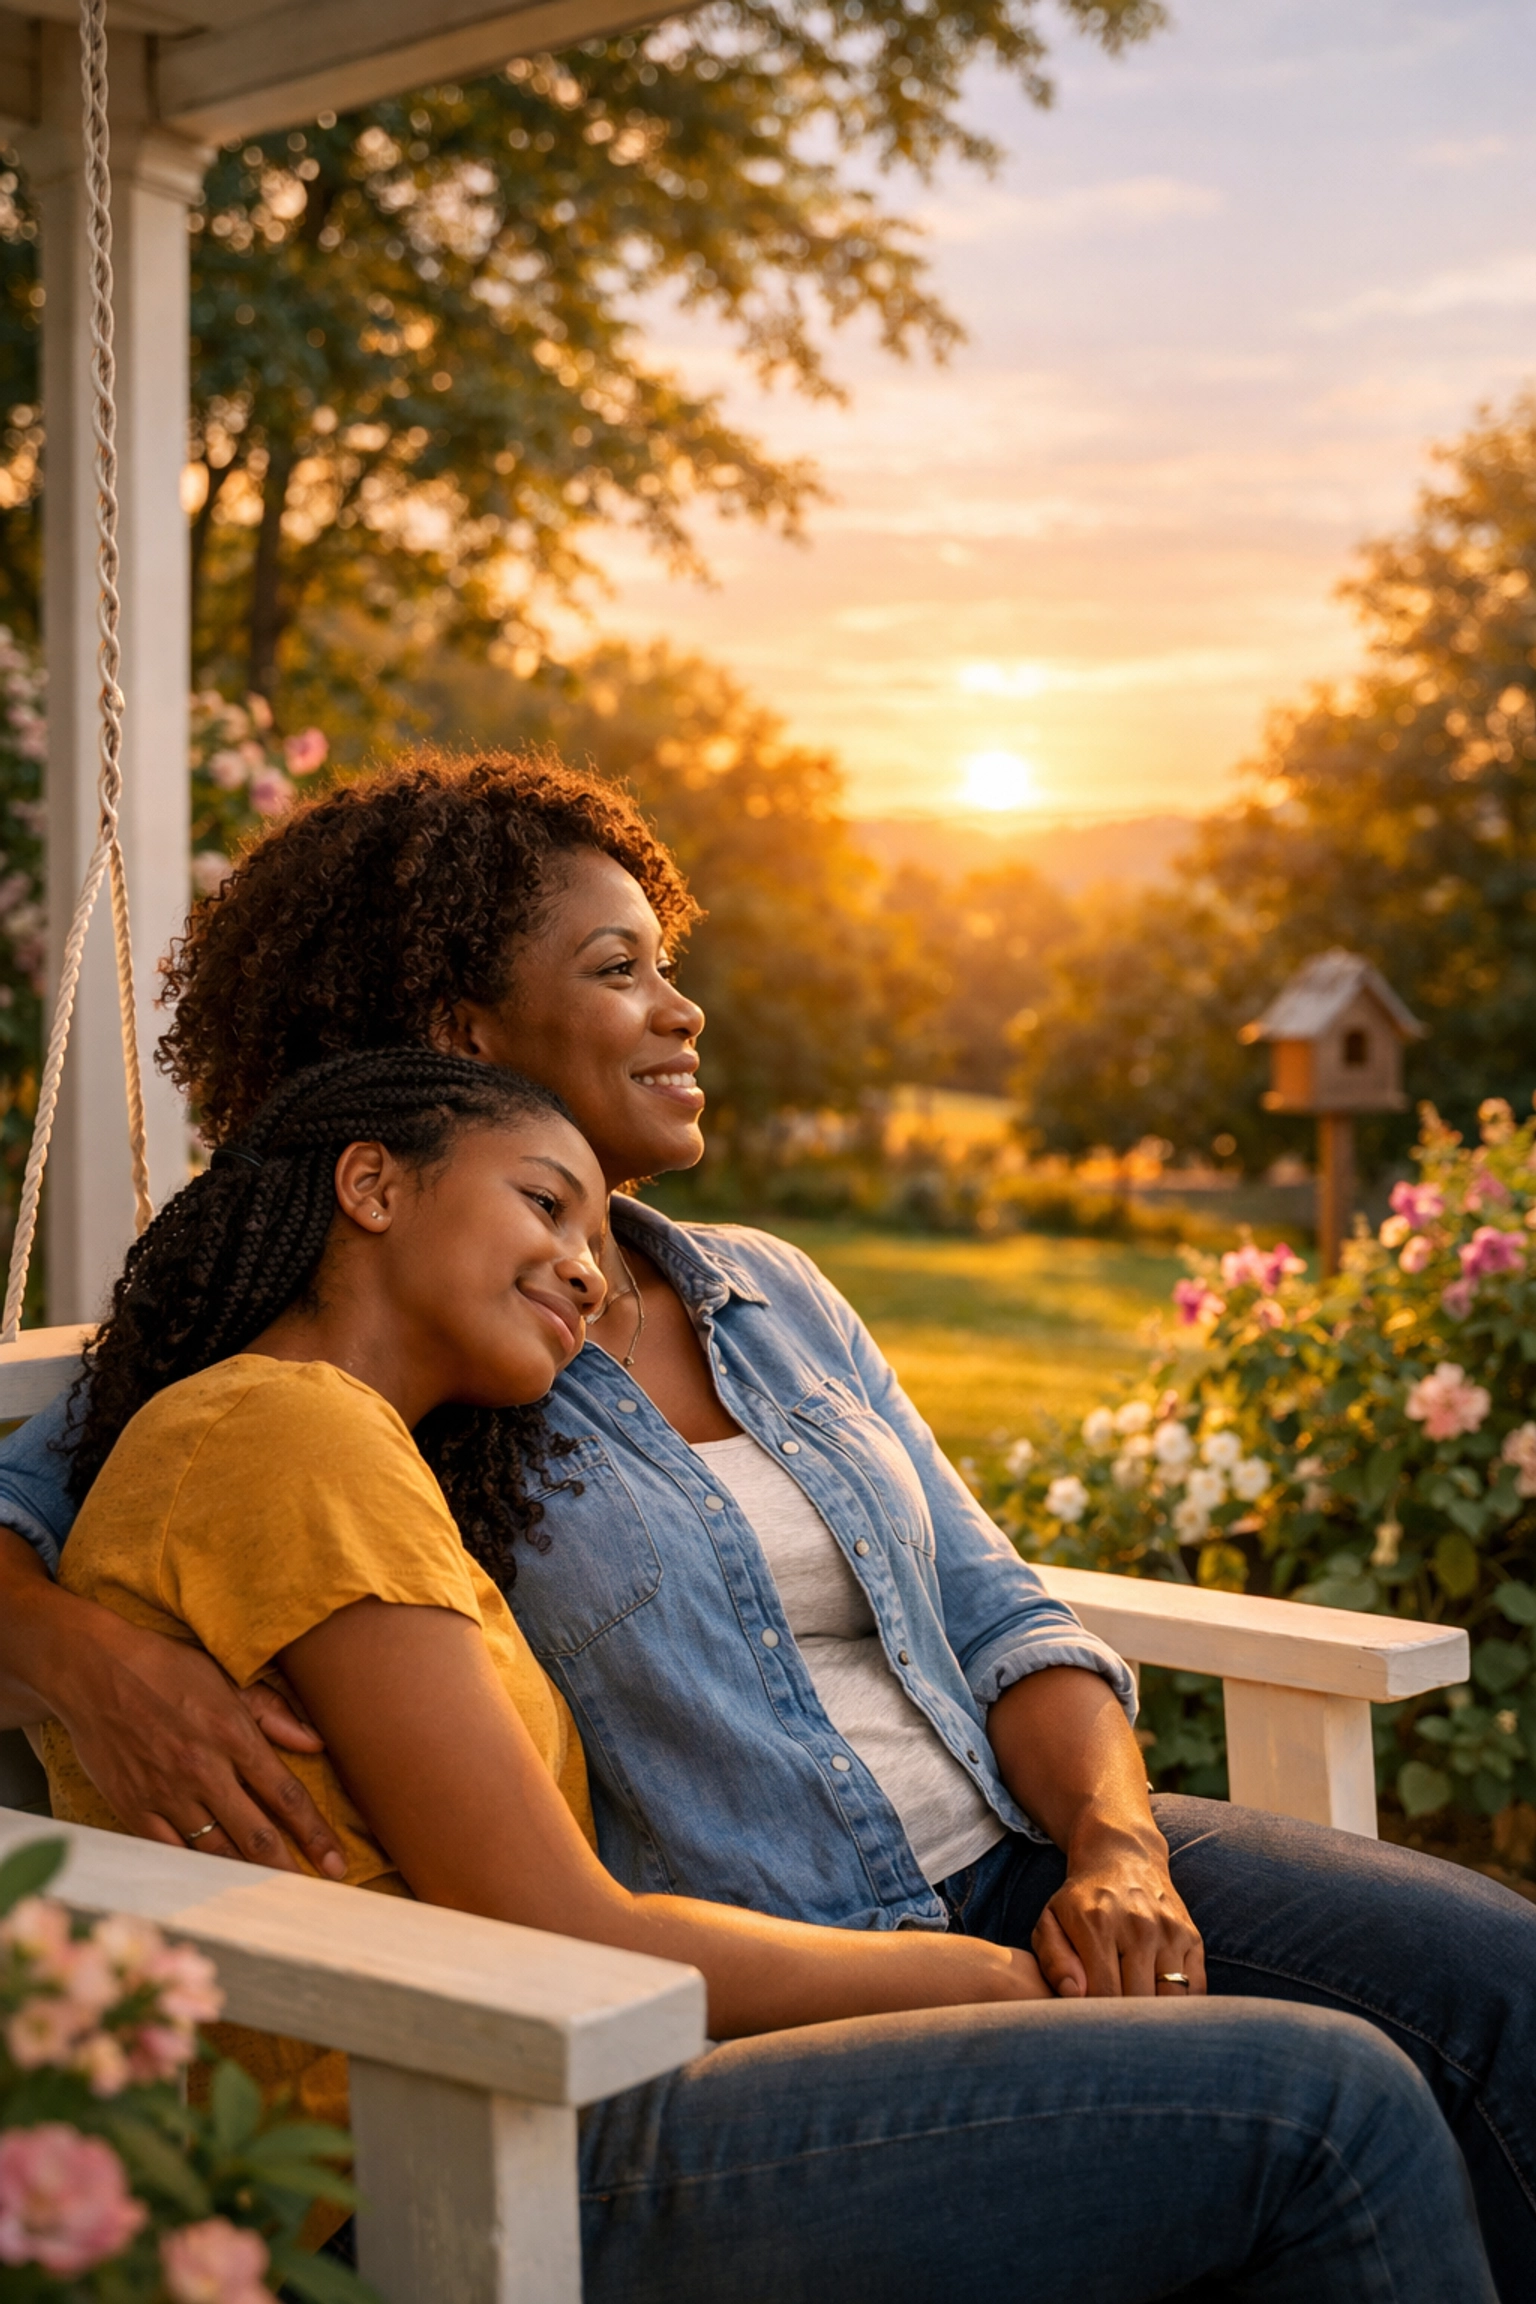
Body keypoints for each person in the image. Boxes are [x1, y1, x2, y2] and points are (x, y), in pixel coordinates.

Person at [0, 756, 1528, 2293]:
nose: (684, 1010)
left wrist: (1114, 1847)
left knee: (1497, 1991)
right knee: (1326, 2116)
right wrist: (79, 1659)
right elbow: (125, 1488)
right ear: (459, 1035)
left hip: (1009, 1853)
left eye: (669, 964)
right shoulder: (364, 1363)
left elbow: (998, 1612)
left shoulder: (766, 1289)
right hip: (752, 1967)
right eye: (619, 969)